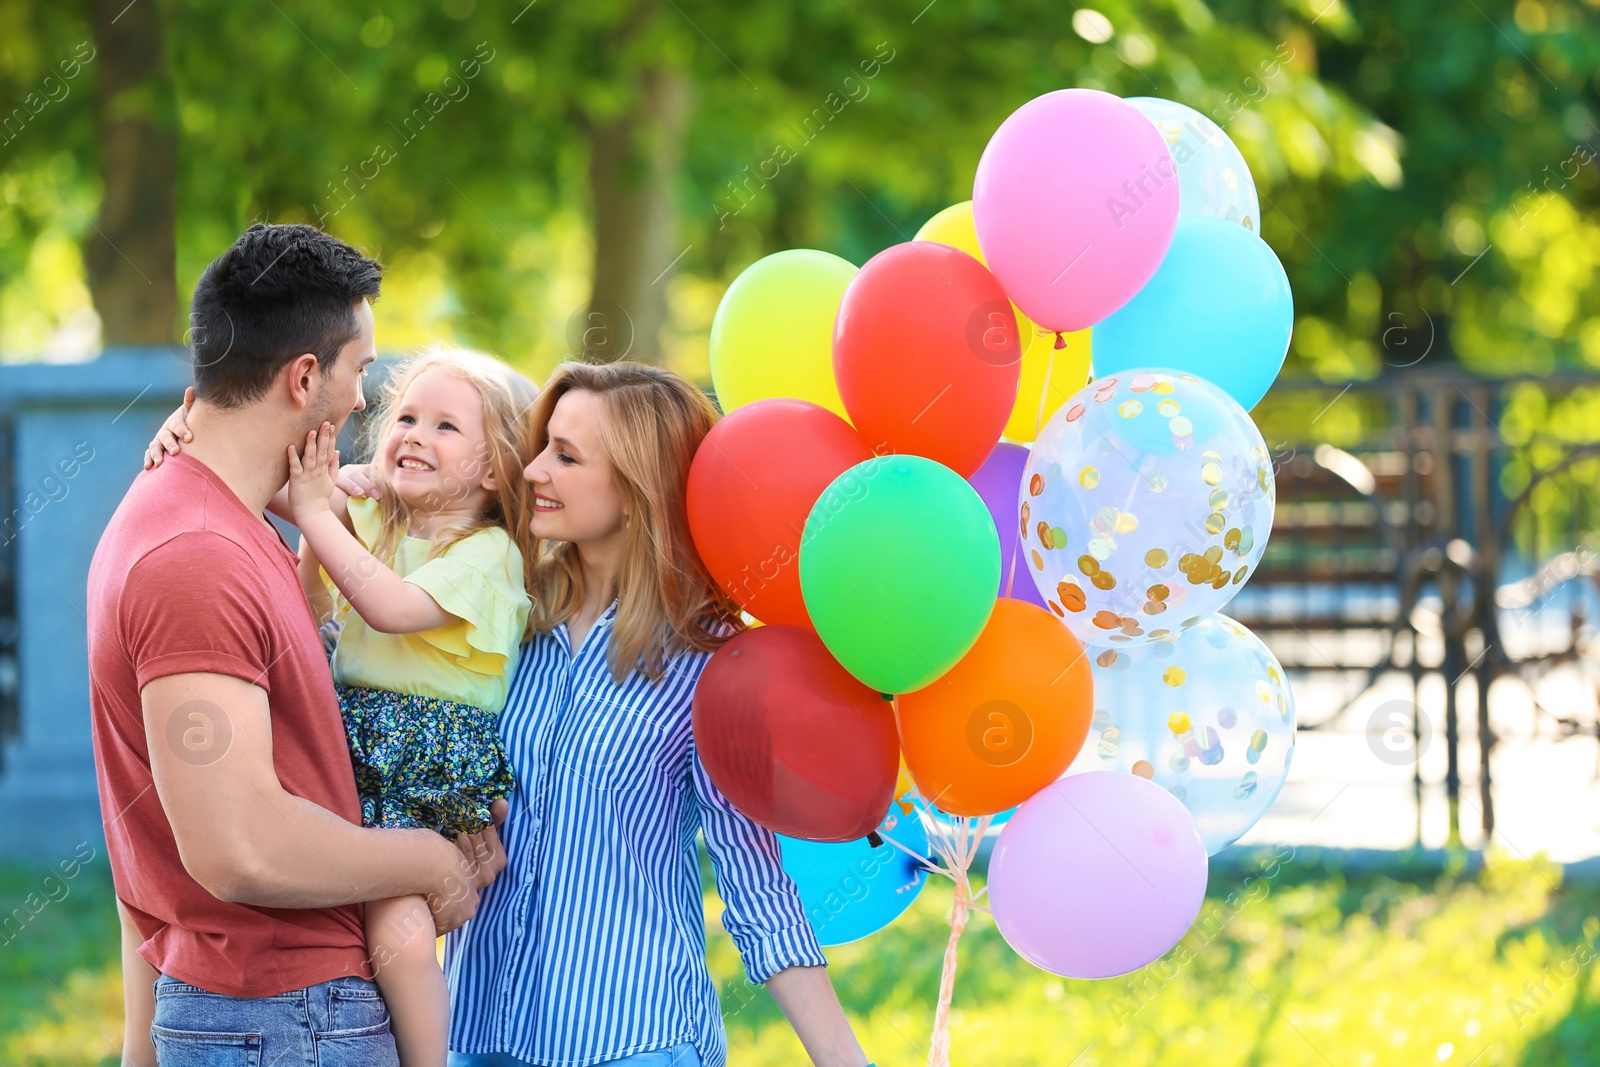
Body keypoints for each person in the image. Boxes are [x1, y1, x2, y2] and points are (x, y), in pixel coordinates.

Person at [146, 359, 875, 1067]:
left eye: (564, 455)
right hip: (478, 1027)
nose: (532, 472)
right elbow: (354, 653)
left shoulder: (708, 666)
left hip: (631, 1036)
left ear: (637, 487)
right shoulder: (508, 620)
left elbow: (756, 889)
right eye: (537, 450)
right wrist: (196, 440)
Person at [93, 223, 505, 1067]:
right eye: (359, 371)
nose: (363, 401)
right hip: (286, 1018)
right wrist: (426, 859)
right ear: (305, 375)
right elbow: (239, 846)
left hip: (277, 1014)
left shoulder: (217, 524)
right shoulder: (196, 559)